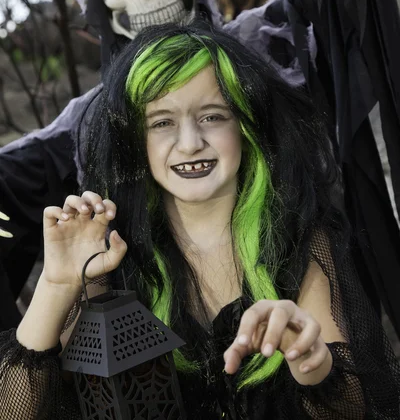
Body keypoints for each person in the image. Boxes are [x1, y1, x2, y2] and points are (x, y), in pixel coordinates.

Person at [0, 22, 399, 420]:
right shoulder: (111, 255)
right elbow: (15, 412)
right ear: (136, 141)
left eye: (212, 116)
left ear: (246, 126)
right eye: (161, 122)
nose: (190, 142)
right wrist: (57, 285)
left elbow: (351, 410)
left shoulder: (298, 240)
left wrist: (311, 362)